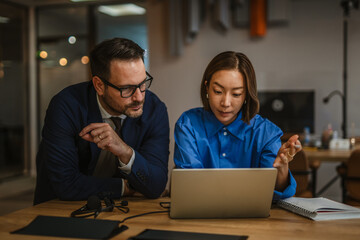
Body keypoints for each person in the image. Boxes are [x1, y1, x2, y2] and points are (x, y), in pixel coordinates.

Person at [34, 38, 170, 205]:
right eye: (126, 88)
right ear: (99, 85)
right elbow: (66, 184)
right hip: (57, 209)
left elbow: (156, 184)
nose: (139, 97)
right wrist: (125, 187)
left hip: (121, 210)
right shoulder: (66, 106)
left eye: (143, 83)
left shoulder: (155, 110)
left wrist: (125, 152)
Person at [174, 51, 301, 199]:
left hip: (253, 220)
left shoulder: (266, 133)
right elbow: (190, 186)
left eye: (236, 94)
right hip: (199, 217)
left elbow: (272, 194)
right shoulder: (188, 125)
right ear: (207, 87)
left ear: (247, 94)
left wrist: (282, 168)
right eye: (218, 91)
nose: (225, 103)